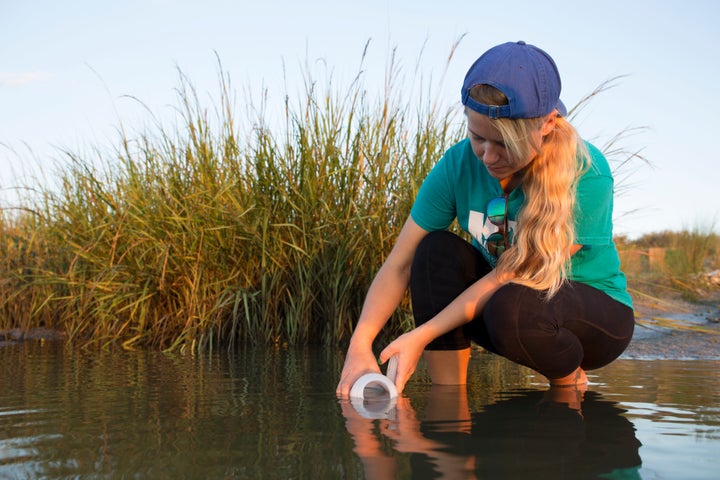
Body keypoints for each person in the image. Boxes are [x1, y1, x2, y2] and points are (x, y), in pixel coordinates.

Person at [336, 40, 635, 396]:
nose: (488, 157)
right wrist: (359, 345)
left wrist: (420, 335)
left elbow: (514, 274)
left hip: (591, 318)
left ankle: (569, 388)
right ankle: (448, 404)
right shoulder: (458, 164)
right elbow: (399, 264)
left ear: (547, 124)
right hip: (501, 302)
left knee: (517, 306)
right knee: (434, 252)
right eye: (478, 138)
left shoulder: (587, 171)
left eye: (505, 144)